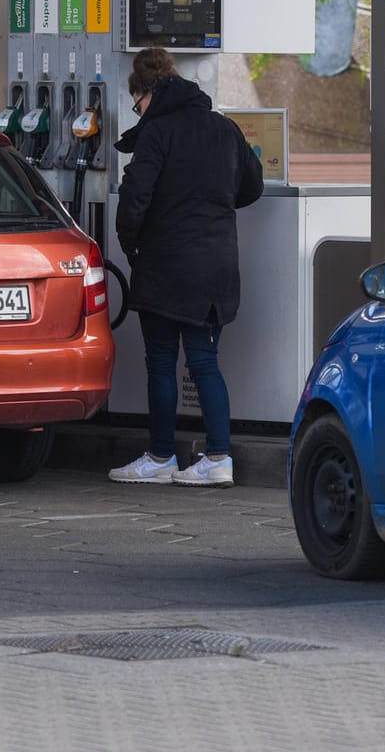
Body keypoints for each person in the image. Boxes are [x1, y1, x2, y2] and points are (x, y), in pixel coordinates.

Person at [107, 47, 263, 487]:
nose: (137, 110)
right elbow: (252, 186)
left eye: (136, 102)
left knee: (160, 361)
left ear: (147, 92)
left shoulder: (157, 134)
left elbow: (133, 199)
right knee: (204, 361)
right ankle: (219, 457)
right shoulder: (224, 128)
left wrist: (131, 247)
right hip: (217, 267)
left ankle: (161, 456)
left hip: (166, 266)